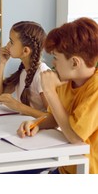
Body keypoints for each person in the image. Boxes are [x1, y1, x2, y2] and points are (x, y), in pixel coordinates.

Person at [18, 17, 98, 174]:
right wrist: (37, 123)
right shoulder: (67, 82)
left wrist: (49, 91)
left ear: (75, 63)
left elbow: (75, 137)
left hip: (85, 174)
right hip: (65, 168)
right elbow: (55, 118)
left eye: (55, 58)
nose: (53, 63)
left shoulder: (95, 89)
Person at [0, 21, 50, 118]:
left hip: (42, 131)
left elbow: (53, 119)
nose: (7, 45)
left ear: (25, 51)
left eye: (12, 42)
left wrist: (19, 106)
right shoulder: (23, 71)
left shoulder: (42, 75)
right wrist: (2, 63)